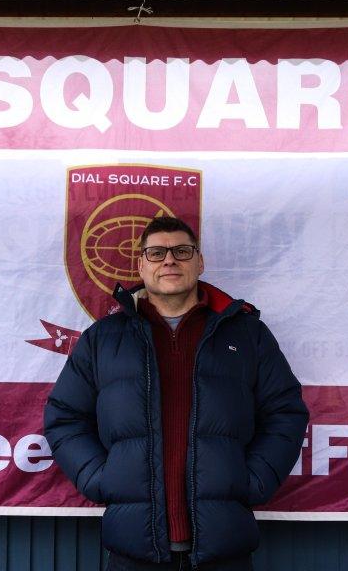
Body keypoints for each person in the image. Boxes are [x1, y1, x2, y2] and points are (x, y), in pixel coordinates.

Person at [44, 216, 309, 570]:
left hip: (223, 548)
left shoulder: (247, 335)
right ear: (141, 265)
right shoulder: (103, 339)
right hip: (133, 549)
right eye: (157, 253)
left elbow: (285, 413)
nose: (170, 260)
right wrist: (101, 478)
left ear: (199, 262)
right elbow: (65, 417)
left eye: (182, 251)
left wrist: (253, 480)